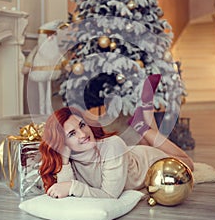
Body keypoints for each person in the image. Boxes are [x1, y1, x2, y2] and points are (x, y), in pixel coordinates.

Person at [39, 74, 194, 199]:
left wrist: (73, 187)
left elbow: (109, 195)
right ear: (63, 143)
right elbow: (66, 194)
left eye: (82, 125)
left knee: (189, 165)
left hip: (147, 162)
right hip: (129, 158)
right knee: (146, 145)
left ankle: (143, 127)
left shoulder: (112, 144)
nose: (83, 133)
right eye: (72, 133)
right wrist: (64, 160)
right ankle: (146, 109)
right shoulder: (69, 158)